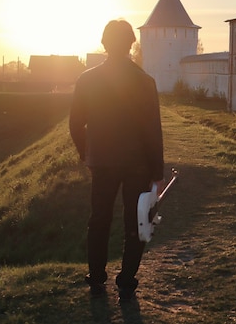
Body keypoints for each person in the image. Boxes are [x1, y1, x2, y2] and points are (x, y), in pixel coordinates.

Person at [69, 19, 164, 301]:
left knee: (99, 218)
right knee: (136, 220)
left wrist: (86, 152)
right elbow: (152, 129)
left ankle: (97, 276)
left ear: (104, 43)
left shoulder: (87, 79)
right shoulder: (145, 81)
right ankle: (126, 280)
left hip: (101, 160)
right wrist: (156, 170)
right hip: (137, 163)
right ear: (131, 44)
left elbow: (76, 123)